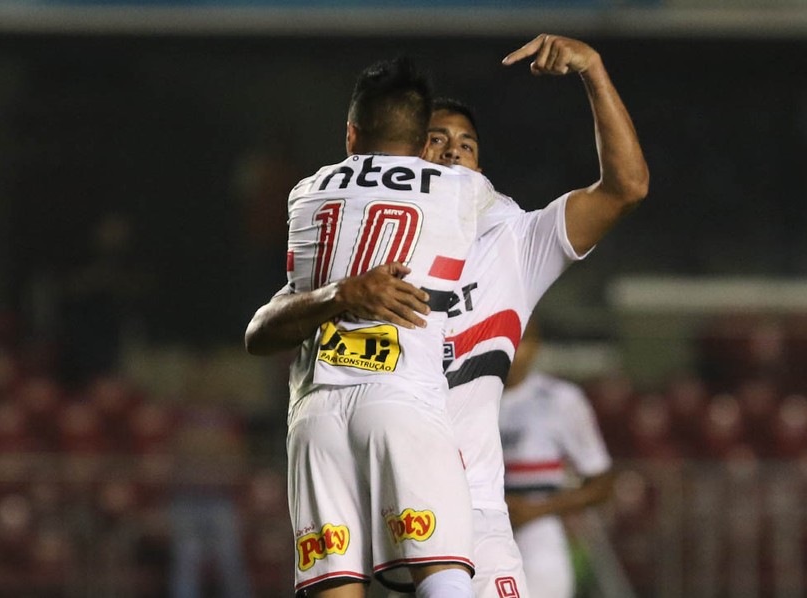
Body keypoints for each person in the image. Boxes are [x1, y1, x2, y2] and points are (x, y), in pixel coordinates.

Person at [247, 33, 647, 597]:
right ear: (408, 151)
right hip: (367, 484)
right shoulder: (365, 249)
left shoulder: (516, 241)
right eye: (437, 139)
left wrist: (595, 72)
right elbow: (270, 323)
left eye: (468, 143)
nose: (455, 151)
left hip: (472, 509)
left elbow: (625, 188)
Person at [270, 56, 516, 597]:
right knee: (446, 582)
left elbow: (264, 328)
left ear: (351, 133)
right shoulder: (461, 191)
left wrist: (343, 292)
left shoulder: (306, 192)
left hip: (313, 418)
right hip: (400, 402)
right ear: (425, 139)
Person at [499, 319, 615, 598]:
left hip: (538, 535)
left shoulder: (560, 400)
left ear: (535, 346)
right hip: (475, 531)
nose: (513, 350)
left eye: (522, 340)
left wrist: (537, 510)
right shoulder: (462, 397)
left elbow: (602, 484)